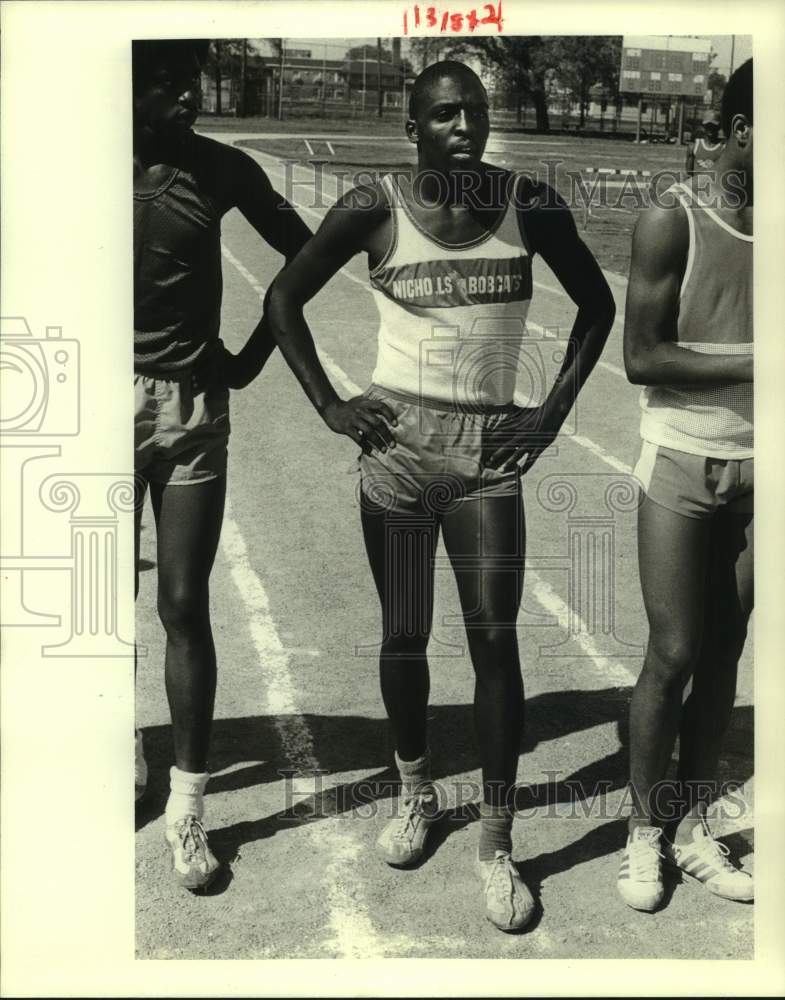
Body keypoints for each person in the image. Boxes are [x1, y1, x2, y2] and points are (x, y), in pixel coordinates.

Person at [269, 61, 615, 931]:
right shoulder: (372, 206)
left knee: (494, 639)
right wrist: (329, 404)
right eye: (445, 114)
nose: (464, 125)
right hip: (394, 450)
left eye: (475, 112)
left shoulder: (527, 203)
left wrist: (547, 416)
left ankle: (496, 843)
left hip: (486, 452)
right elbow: (282, 299)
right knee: (405, 633)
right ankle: (415, 791)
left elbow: (597, 305)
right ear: (413, 127)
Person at [132, 39, 311, 890]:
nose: (190, 100)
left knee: (181, 603)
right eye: (170, 86)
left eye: (192, 84)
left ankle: (188, 807)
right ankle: (123, 753)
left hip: (193, 409)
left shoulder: (220, 170)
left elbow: (305, 254)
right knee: (83, 606)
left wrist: (249, 354)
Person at [619, 59, 754, 912]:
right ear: (745, 129)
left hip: (764, 466)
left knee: (723, 654)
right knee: (670, 655)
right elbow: (643, 356)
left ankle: (694, 825)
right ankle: (642, 835)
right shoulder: (674, 218)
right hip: (679, 456)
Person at [685, 110, 724, 178]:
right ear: (703, 126)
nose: (710, 128)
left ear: (719, 127)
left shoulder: (723, 148)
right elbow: (689, 175)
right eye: (708, 126)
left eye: (713, 126)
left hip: (714, 186)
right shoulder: (694, 147)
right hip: (697, 186)